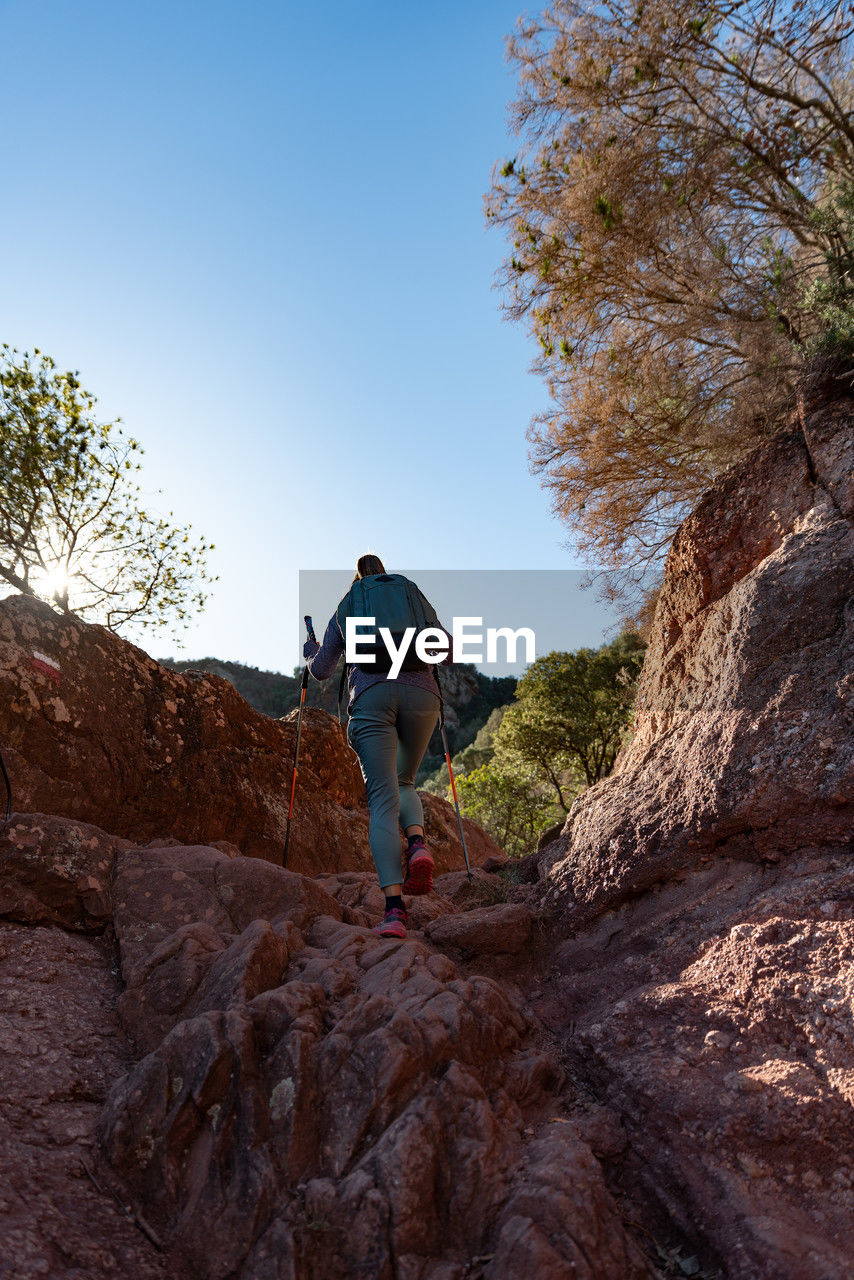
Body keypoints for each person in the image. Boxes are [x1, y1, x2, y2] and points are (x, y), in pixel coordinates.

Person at [303, 554, 450, 940]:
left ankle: (395, 912)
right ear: (384, 572)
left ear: (358, 576)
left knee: (383, 798)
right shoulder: (411, 594)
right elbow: (446, 650)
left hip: (372, 698)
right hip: (422, 698)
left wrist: (310, 650)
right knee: (406, 783)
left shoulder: (349, 603)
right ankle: (417, 842)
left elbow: (320, 670)